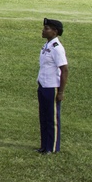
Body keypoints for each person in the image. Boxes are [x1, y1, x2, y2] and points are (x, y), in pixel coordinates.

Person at [36, 18, 67, 154]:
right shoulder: (46, 46)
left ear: (55, 32)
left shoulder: (57, 48)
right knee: (44, 117)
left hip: (52, 87)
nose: (43, 30)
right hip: (43, 85)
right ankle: (44, 145)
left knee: (52, 118)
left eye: (47, 28)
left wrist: (61, 92)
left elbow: (64, 70)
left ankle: (52, 147)